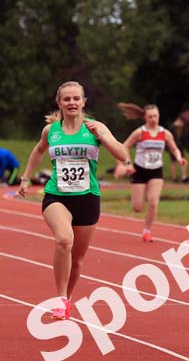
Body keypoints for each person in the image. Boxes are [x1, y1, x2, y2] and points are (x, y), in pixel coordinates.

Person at [17, 81, 128, 320]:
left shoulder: (95, 128)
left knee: (77, 260)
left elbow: (123, 155)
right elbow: (38, 151)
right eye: (66, 99)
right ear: (59, 103)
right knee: (64, 239)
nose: (72, 103)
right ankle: (59, 299)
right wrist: (26, 178)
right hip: (57, 195)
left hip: (88, 198)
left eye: (76, 98)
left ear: (83, 101)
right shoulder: (51, 131)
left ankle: (66, 299)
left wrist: (103, 137)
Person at [118, 103, 187, 242]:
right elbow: (124, 147)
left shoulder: (165, 133)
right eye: (150, 116)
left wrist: (179, 158)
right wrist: (128, 164)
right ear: (145, 117)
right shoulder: (140, 132)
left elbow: (174, 149)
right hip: (139, 170)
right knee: (137, 207)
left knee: (153, 202)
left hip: (156, 171)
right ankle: (140, 196)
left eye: (155, 116)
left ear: (159, 116)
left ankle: (147, 231)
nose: (153, 119)